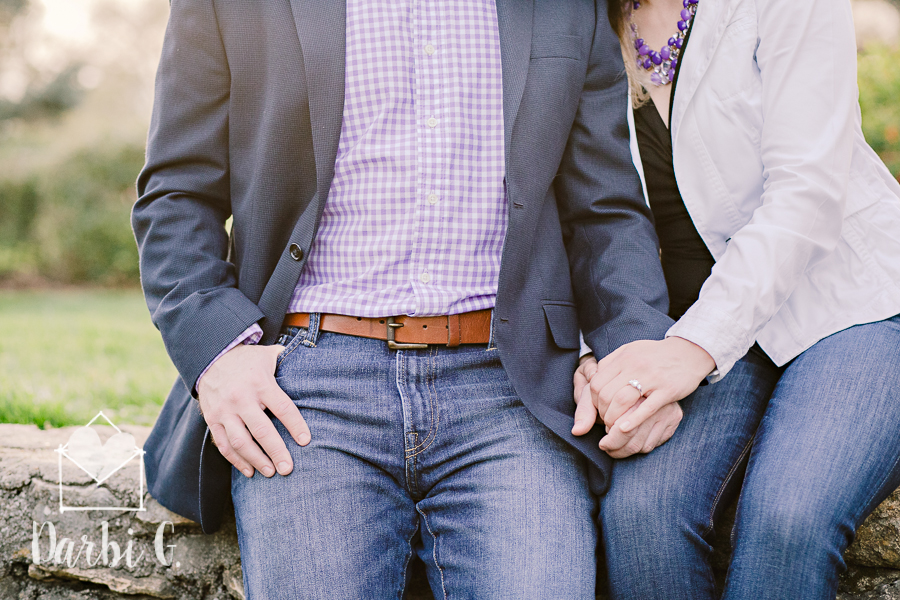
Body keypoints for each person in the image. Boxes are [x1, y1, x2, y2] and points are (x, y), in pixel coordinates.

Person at [132, 0, 684, 597]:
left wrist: (632, 348)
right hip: (307, 389)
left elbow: (606, 210)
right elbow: (177, 192)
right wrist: (219, 353)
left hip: (510, 391)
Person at [572, 0, 900, 597]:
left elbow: (807, 191)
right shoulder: (582, 19)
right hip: (694, 326)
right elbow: (582, 214)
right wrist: (593, 349)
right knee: (641, 521)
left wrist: (692, 348)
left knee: (787, 521)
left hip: (851, 305)